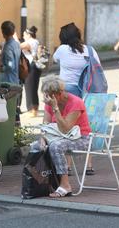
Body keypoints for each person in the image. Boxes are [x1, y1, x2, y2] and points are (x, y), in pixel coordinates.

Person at [30, 75, 91, 197]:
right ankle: (40, 183)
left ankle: (65, 185)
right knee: (35, 146)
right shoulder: (50, 103)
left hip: (81, 139)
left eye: (48, 94)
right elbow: (46, 125)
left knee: (56, 146)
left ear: (59, 93)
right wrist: (43, 138)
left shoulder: (75, 103)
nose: (46, 98)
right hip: (58, 137)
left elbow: (65, 129)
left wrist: (55, 108)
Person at [53, 22, 101, 174]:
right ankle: (89, 165)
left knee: (66, 127)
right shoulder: (89, 50)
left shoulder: (62, 49)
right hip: (85, 92)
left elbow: (55, 60)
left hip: (65, 92)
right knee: (86, 126)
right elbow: (97, 66)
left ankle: (67, 166)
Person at [20, 26, 41, 117]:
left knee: (30, 88)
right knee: (32, 87)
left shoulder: (32, 42)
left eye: (24, 34)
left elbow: (19, 46)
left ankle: (32, 109)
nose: (23, 36)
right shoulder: (34, 41)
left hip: (32, 66)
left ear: (29, 34)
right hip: (33, 66)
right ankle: (33, 108)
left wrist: (14, 38)